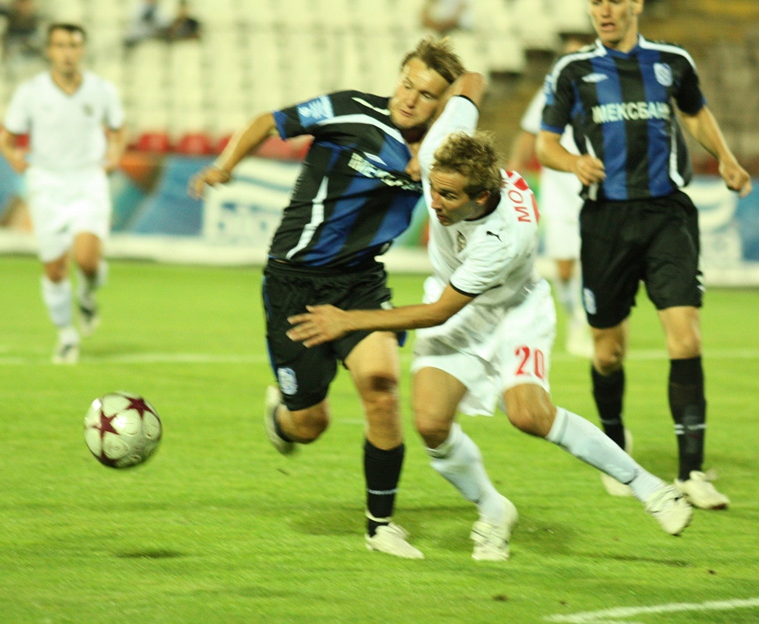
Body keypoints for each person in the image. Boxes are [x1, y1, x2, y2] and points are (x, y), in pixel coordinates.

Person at [286, 87, 694, 560]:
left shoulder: (503, 237)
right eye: (434, 189)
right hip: (454, 300)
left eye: (448, 196)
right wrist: (447, 95)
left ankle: (650, 488)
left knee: (529, 415)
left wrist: (349, 320)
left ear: (482, 196)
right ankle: (493, 510)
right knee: (431, 424)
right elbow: (472, 82)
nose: (435, 203)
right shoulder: (445, 153)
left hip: (513, 312)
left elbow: (439, 313)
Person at [188, 37, 465, 559]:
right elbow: (269, 122)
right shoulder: (350, 111)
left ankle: (381, 527)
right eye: (407, 83)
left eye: (427, 94)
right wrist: (226, 166)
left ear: (442, 104)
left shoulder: (443, 150)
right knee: (310, 425)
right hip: (295, 282)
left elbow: (475, 95)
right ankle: (282, 417)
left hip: (361, 283)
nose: (410, 98)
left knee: (382, 390)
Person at [535, 0, 752, 508]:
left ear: (635, 4)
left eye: (614, 1)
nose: (604, 11)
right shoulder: (572, 70)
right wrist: (573, 162)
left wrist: (725, 158)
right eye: (596, 3)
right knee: (607, 354)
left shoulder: (672, 61)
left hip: (666, 215)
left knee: (686, 338)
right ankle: (614, 445)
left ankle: (691, 472)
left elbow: (695, 113)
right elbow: (545, 144)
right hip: (605, 221)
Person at [0, 23, 126, 364]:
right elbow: (5, 139)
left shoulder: (101, 90)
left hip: (88, 181)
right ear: (49, 51)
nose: (67, 52)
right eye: (60, 45)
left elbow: (118, 128)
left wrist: (115, 154)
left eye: (73, 45)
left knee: (87, 260)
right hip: (47, 184)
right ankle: (66, 336)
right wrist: (14, 158)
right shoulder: (31, 92)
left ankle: (87, 294)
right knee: (55, 268)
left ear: (82, 50)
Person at [508, 33, 595, 359]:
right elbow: (529, 132)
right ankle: (575, 317)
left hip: (593, 191)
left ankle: (590, 323)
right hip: (559, 191)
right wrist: (513, 172)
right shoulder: (549, 91)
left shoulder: (601, 93)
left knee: (593, 264)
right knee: (564, 269)